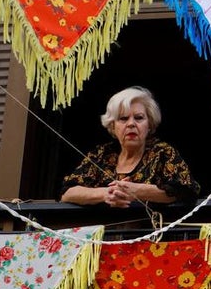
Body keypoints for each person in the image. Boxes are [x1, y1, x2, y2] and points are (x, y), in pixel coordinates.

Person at [61, 86, 199, 208]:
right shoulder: (101, 155)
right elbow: (67, 193)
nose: (131, 124)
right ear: (113, 126)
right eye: (123, 118)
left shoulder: (163, 153)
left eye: (138, 118)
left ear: (149, 124)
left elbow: (187, 191)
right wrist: (107, 193)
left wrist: (136, 191)